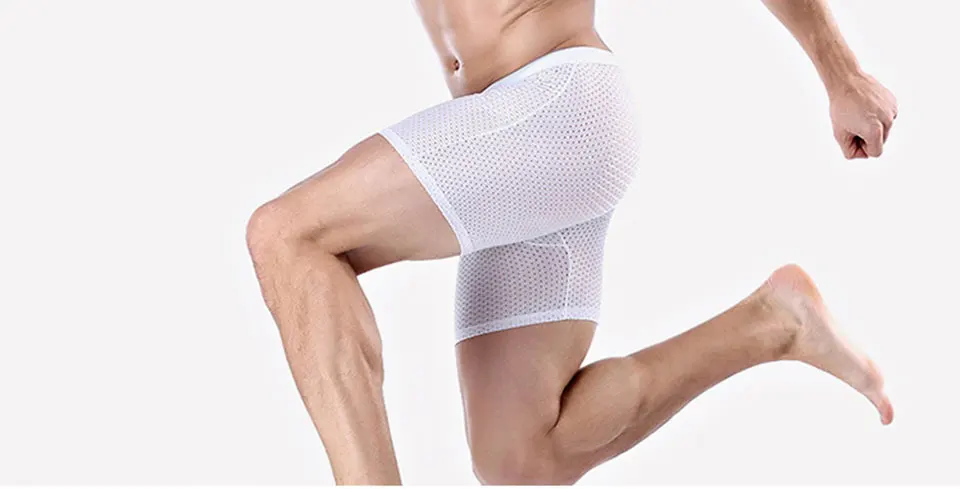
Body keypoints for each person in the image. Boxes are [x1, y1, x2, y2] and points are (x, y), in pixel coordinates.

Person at [245, 0, 899, 484]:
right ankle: (774, 323)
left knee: (289, 234)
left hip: (555, 108)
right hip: (508, 132)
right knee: (518, 455)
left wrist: (841, 73)